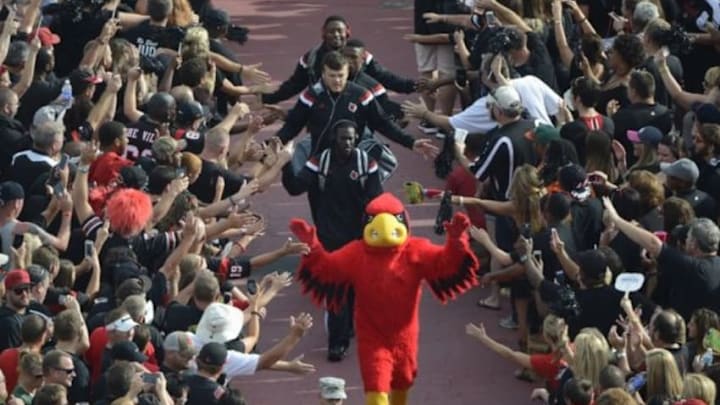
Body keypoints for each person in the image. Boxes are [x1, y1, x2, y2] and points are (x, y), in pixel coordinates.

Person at [283, 120, 382, 361]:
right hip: (329, 237)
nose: (347, 143)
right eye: (342, 139)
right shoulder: (320, 162)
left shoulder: (366, 164)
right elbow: (296, 187)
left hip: (358, 237)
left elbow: (377, 201)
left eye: (351, 139)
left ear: (356, 138)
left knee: (354, 289)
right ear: (333, 140)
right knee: (337, 290)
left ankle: (348, 327)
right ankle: (336, 345)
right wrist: (284, 162)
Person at [276, 51, 437, 160]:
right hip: (320, 161)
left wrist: (410, 142)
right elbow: (292, 126)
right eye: (332, 76)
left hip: (355, 162)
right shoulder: (311, 95)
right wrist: (270, 145)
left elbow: (383, 123)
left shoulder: (361, 95)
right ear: (323, 74)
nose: (337, 80)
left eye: (341, 76)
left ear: (347, 73)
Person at [262, 15, 419, 105]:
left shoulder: (360, 55)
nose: (336, 35)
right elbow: (294, 85)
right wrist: (266, 99)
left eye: (340, 31)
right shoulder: (311, 58)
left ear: (348, 32)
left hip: (355, 114)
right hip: (321, 114)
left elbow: (386, 77)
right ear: (323, 33)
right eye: (331, 31)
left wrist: (414, 86)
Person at [0, 270, 32, 351]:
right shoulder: (8, 323)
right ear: (7, 293)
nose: (24, 294)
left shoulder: (30, 313)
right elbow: (10, 357)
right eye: (18, 290)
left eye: (27, 289)